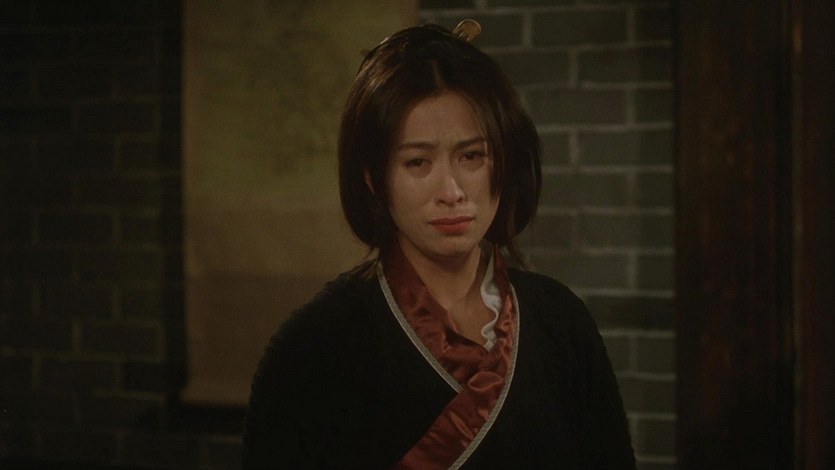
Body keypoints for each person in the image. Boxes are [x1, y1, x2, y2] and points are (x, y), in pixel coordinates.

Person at [242, 20, 635, 469]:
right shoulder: (314, 347)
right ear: (374, 178)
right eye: (417, 162)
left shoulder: (560, 322)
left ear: (504, 162)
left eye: (472, 156)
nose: (451, 191)